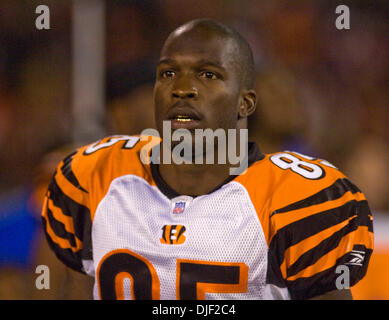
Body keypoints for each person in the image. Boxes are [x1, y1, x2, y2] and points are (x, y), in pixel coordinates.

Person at [41, 19, 373, 300]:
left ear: (245, 103)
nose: (182, 88)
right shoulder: (96, 175)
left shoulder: (298, 198)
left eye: (208, 75)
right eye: (168, 74)